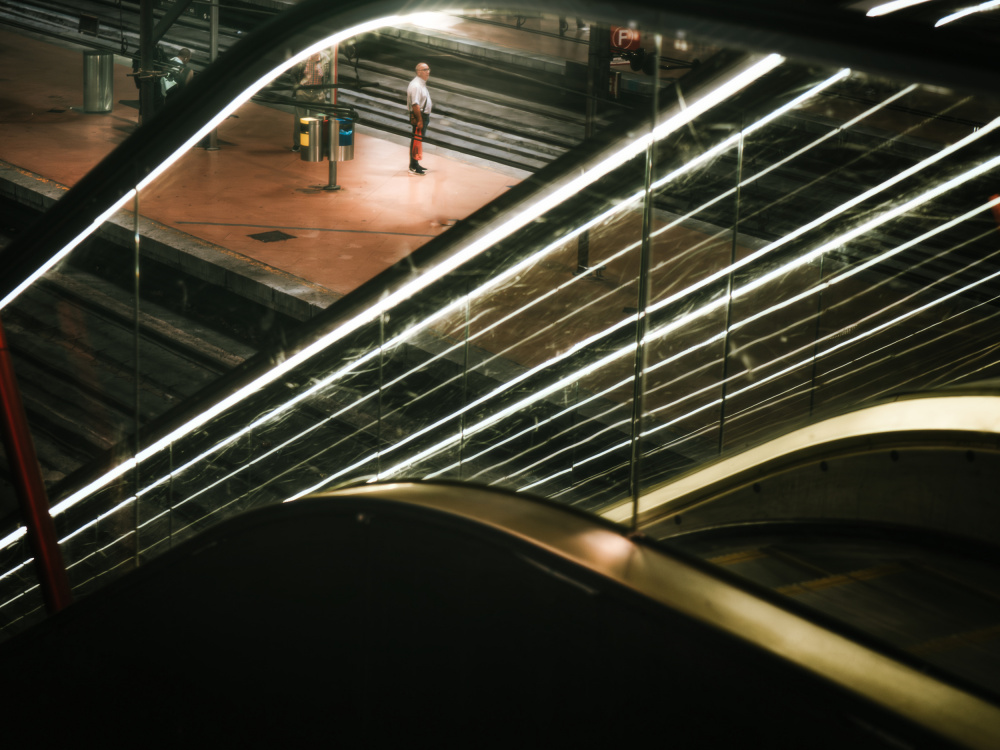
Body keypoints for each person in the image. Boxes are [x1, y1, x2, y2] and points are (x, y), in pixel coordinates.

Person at [407, 62, 432, 175]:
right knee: (416, 141)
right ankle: (413, 166)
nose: (428, 72)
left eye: (428, 69)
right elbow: (415, 104)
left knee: (418, 140)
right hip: (420, 116)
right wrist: (420, 120)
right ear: (418, 72)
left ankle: (415, 163)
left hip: (422, 116)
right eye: (425, 70)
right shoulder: (416, 85)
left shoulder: (421, 83)